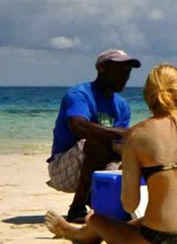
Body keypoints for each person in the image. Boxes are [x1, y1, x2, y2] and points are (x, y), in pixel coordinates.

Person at [45, 64, 177, 244]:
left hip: (164, 242)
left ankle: (73, 232)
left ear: (148, 94)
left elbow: (129, 204)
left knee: (97, 221)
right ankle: (81, 231)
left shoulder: (137, 135)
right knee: (139, 223)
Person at [47, 49, 141, 222]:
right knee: (96, 142)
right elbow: (79, 127)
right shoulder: (79, 95)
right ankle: (77, 207)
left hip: (99, 165)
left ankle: (105, 205)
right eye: (120, 70)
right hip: (64, 169)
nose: (125, 76)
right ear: (102, 68)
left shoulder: (122, 105)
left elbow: (121, 142)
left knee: (134, 155)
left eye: (128, 71)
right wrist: (127, 133)